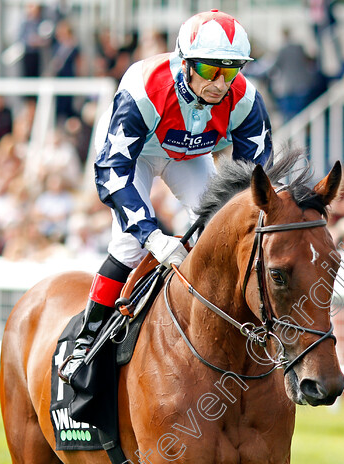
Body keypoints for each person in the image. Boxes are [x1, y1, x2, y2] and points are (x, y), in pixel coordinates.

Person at [59, 10, 273, 382]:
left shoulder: (246, 99)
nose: (221, 83)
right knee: (129, 245)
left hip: (189, 157)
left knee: (221, 229)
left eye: (232, 69)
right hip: (135, 155)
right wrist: (153, 236)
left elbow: (252, 184)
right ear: (185, 62)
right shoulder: (144, 88)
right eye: (209, 70)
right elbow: (112, 174)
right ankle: (86, 339)